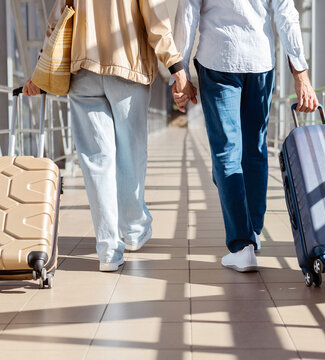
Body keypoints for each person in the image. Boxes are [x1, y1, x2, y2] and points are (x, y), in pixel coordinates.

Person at [24, 0, 195, 272]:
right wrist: (176, 67)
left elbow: (57, 20)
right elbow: (155, 20)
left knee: (96, 162)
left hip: (83, 71)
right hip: (129, 69)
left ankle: (108, 251)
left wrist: (41, 72)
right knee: (131, 155)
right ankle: (135, 231)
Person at [171, 0, 318, 272]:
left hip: (218, 59)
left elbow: (188, 14)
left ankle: (242, 245)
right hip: (260, 61)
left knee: (227, 155)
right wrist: (301, 73)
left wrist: (179, 73)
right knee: (255, 152)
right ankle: (254, 232)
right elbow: (286, 12)